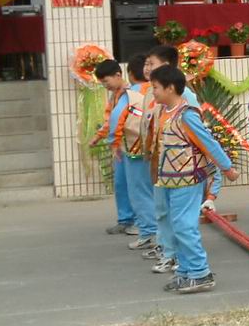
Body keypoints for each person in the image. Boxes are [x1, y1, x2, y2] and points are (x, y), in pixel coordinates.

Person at [146, 64, 238, 293]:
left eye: (155, 87)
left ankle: (200, 272)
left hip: (187, 180)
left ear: (170, 88)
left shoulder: (186, 115)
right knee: (177, 226)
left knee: (185, 226)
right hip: (169, 180)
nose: (153, 92)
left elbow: (208, 143)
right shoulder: (163, 112)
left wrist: (227, 168)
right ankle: (185, 272)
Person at [112, 54, 156, 248]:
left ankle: (148, 232)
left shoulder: (130, 94)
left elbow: (116, 118)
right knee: (153, 192)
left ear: (129, 73)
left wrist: (113, 141)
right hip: (155, 148)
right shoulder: (155, 90)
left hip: (134, 148)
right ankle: (156, 233)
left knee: (139, 192)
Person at [91, 59, 137, 238]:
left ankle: (141, 222)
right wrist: (98, 136)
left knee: (135, 185)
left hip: (132, 146)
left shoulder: (132, 94)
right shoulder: (114, 96)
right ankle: (125, 219)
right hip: (119, 147)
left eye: (106, 81)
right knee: (120, 183)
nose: (105, 86)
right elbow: (110, 120)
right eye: (102, 83)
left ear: (118, 75)